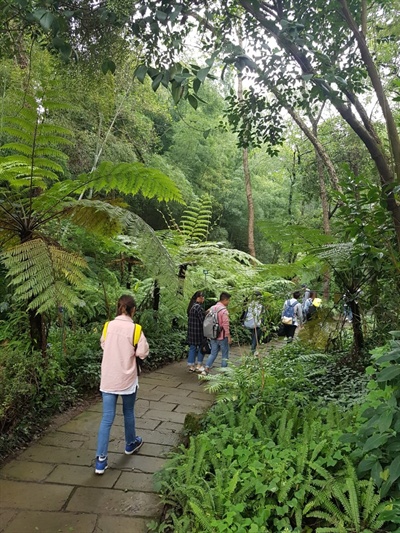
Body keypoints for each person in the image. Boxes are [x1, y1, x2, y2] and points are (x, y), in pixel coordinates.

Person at [95, 294, 149, 475]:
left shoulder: (107, 326)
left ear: (119, 308)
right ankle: (130, 443)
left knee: (107, 418)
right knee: (128, 412)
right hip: (127, 379)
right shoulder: (136, 329)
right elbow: (142, 352)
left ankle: (100, 461)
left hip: (109, 378)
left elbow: (104, 345)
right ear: (133, 310)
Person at [202, 292, 231, 374]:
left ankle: (206, 368)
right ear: (225, 300)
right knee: (225, 355)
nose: (228, 302)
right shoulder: (224, 311)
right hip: (222, 336)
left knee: (213, 353)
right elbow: (226, 325)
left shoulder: (212, 308)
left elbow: (205, 315)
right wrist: (228, 336)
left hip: (213, 335)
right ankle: (223, 372)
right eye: (228, 300)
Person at [186, 290, 206, 373]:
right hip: (198, 332)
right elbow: (202, 320)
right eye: (203, 297)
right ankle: (199, 365)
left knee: (192, 347)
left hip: (191, 332)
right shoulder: (198, 307)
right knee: (201, 347)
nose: (204, 299)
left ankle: (191, 366)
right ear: (199, 297)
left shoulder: (191, 306)